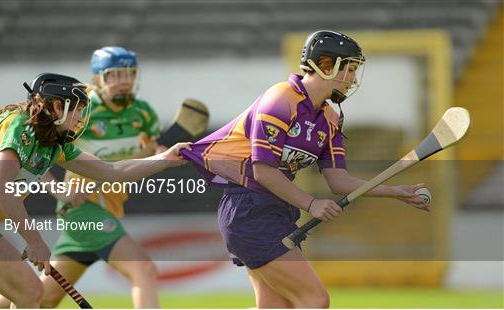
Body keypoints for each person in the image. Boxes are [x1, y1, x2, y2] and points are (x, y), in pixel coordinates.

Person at [181, 30, 430, 308]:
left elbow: (338, 180)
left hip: (278, 212)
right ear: (326, 66)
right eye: (348, 69)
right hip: (249, 211)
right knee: (315, 299)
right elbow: (263, 170)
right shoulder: (281, 100)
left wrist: (395, 191)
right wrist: (311, 204)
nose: (353, 79)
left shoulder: (329, 118)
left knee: (276, 306)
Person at [0, 72, 189, 308]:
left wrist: (165, 158)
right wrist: (34, 240)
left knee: (31, 292)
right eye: (78, 109)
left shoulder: (55, 146)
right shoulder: (19, 126)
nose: (81, 117)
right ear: (58, 106)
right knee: (31, 292)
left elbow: (113, 171)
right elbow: (1, 188)